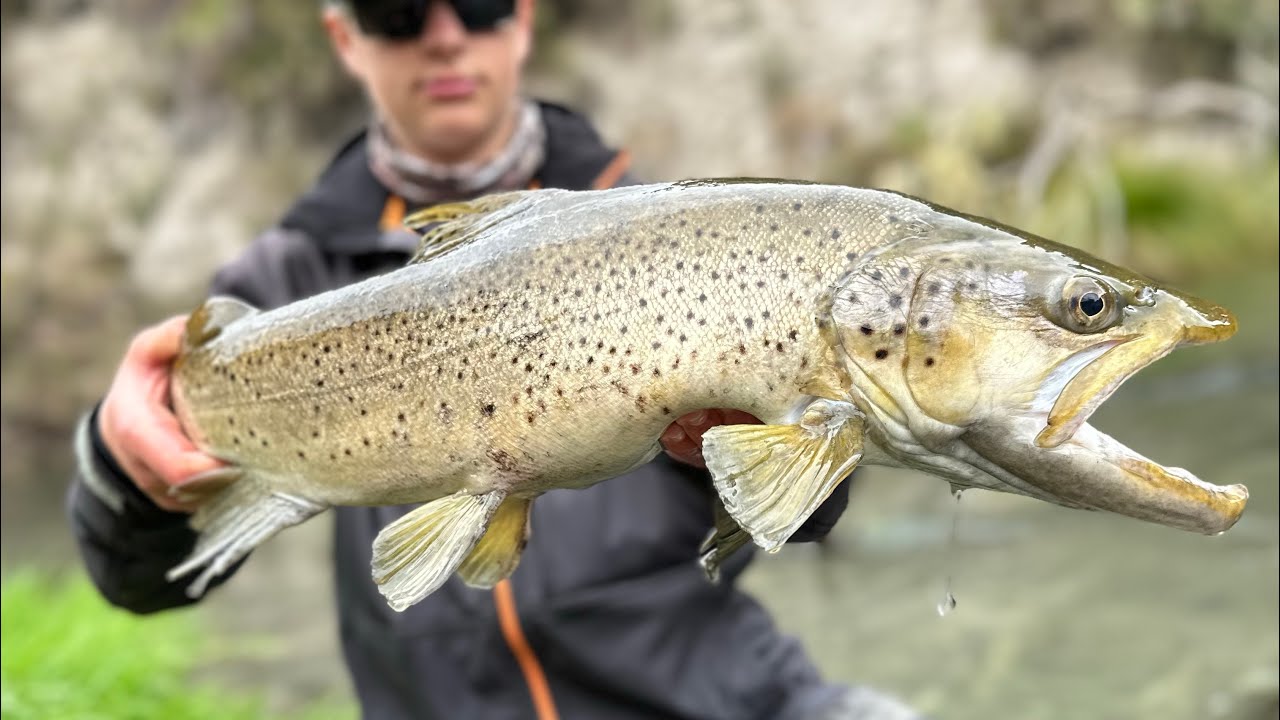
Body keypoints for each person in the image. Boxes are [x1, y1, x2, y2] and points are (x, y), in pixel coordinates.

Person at [67, 1, 921, 718]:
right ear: (344, 38)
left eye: (475, 2)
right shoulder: (283, 286)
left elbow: (803, 519)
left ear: (520, 19)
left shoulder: (683, 227)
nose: (444, 35)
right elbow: (142, 582)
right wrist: (120, 458)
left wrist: (797, 462)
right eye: (398, 9)